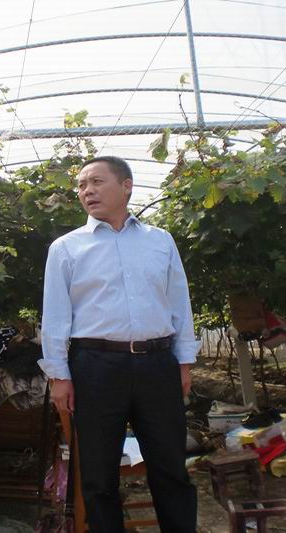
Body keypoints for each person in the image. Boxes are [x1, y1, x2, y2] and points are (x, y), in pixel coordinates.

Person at [40, 156, 199, 532]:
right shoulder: (66, 248)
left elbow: (179, 302)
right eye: (81, 185)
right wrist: (59, 376)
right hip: (95, 366)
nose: (87, 191)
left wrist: (184, 362)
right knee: (98, 476)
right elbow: (56, 315)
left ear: (126, 186)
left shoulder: (160, 241)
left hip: (157, 363)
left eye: (97, 181)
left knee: (171, 468)